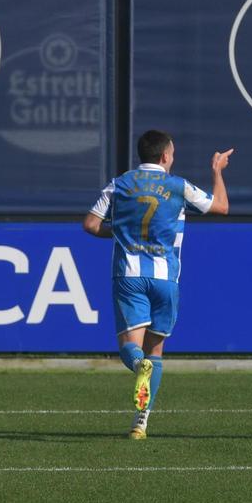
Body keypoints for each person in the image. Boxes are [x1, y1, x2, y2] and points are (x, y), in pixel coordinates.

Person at [83, 130, 232, 439]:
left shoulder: (120, 184)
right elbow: (221, 207)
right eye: (173, 153)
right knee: (157, 350)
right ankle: (142, 421)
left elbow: (90, 224)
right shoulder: (178, 186)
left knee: (130, 347)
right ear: (165, 156)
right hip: (166, 278)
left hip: (129, 275)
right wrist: (217, 172)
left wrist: (119, 233)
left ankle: (139, 367)